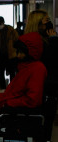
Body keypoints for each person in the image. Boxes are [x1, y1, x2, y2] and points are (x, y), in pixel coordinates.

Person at [23, 10, 58, 141]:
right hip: (42, 89)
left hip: (47, 88)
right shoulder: (35, 43)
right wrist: (54, 41)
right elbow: (50, 61)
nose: (49, 24)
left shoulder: (44, 40)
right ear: (37, 24)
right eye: (46, 21)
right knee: (42, 125)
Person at [0, 32, 47, 109]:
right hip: (12, 107)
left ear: (30, 52)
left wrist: (6, 103)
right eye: (18, 52)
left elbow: (32, 100)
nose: (18, 55)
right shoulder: (26, 67)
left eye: (22, 52)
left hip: (16, 112)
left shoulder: (37, 68)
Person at [0, 16, 19, 89]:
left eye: (0, 24)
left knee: (12, 72)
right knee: (0, 73)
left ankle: (12, 87)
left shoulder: (11, 29)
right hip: (0, 54)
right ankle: (3, 88)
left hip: (10, 53)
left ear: (3, 22)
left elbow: (16, 38)